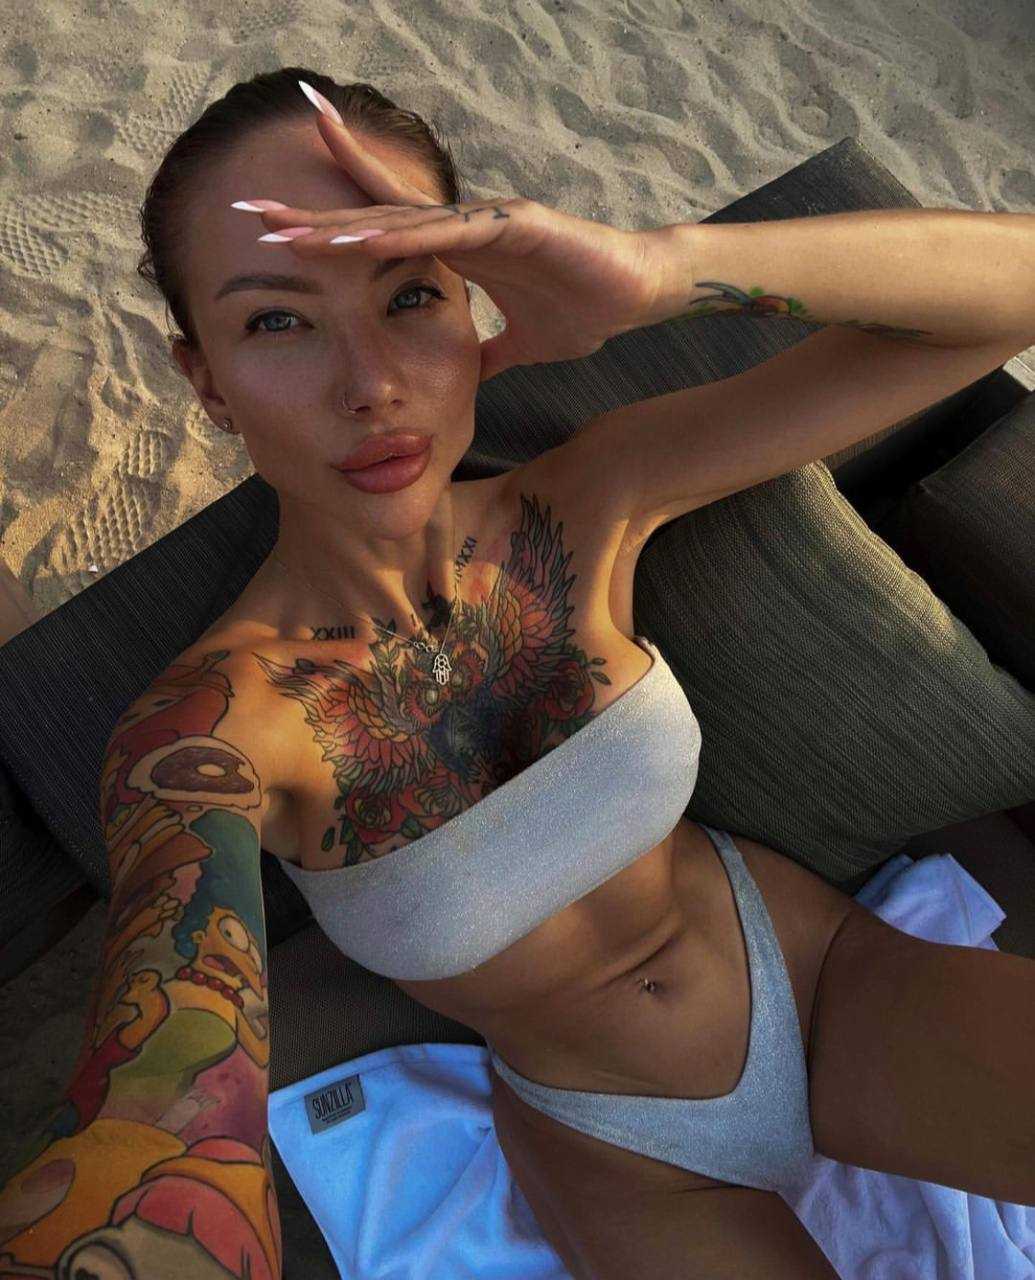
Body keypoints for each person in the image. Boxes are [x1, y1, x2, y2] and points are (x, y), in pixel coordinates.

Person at [1, 64, 1033, 1280]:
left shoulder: (591, 499)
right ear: (205, 380)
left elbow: (1008, 297)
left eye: (411, 293)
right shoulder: (215, 726)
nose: (372, 384)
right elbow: (165, 1075)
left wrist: (654, 271)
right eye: (277, 320)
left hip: (824, 981)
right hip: (617, 1143)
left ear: (472, 299)